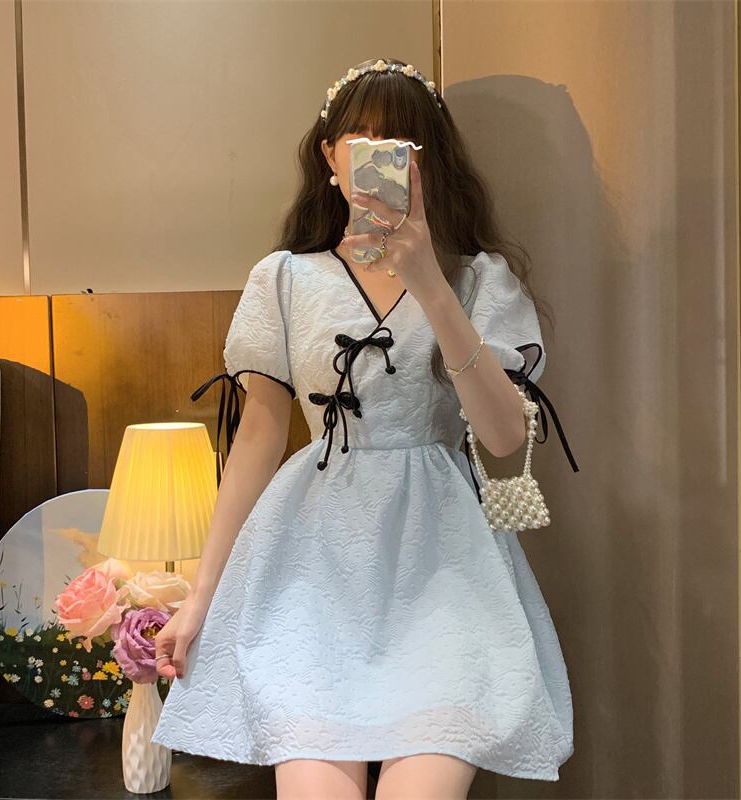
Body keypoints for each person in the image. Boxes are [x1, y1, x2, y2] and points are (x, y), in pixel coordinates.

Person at [150, 57, 577, 800]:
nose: (382, 154)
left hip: (443, 571)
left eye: (403, 141)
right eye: (363, 138)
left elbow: (506, 439)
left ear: (429, 160)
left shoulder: (479, 280)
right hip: (311, 571)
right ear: (329, 155)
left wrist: (429, 282)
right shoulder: (283, 280)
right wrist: (201, 594)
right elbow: (257, 441)